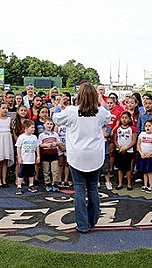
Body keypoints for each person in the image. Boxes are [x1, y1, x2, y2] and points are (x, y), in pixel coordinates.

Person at [52, 81, 111, 233]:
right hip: (95, 155)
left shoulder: (71, 111)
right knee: (92, 189)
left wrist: (59, 103)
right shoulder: (100, 111)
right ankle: (92, 221)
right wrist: (100, 99)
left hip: (77, 155)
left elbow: (56, 119)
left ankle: (82, 225)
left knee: (79, 189)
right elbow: (108, 117)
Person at [15, 119, 40, 195]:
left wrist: (38, 156)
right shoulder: (21, 137)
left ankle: (31, 185)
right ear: (26, 128)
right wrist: (19, 157)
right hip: (24, 160)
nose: (34, 129)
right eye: (32, 127)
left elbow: (37, 147)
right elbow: (18, 147)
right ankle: (19, 186)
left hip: (31, 160)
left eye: (34, 127)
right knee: (21, 174)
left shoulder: (34, 137)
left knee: (31, 173)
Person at [114, 111, 137, 190]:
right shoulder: (117, 128)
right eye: (122, 118)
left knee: (128, 168)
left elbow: (134, 141)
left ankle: (129, 184)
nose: (124, 120)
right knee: (120, 168)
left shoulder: (132, 129)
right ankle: (120, 183)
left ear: (130, 119)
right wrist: (120, 147)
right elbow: (115, 139)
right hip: (119, 150)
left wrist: (126, 148)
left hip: (129, 151)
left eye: (126, 118)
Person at [137, 120, 152, 194]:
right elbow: (138, 144)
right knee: (144, 171)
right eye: (146, 126)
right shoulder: (142, 134)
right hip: (143, 156)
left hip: (151, 157)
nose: (147, 127)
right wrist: (140, 152)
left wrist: (150, 153)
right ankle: (145, 185)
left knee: (150, 171)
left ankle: (151, 186)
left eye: (149, 126)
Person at [38, 117, 60, 192]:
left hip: (54, 154)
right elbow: (39, 145)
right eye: (47, 124)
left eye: (51, 124)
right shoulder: (41, 135)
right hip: (45, 154)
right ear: (44, 125)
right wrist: (45, 145)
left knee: (55, 170)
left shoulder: (55, 134)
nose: (49, 125)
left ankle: (55, 184)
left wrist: (55, 143)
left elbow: (59, 142)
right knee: (46, 170)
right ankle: (48, 183)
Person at [101, 125, 112, 190]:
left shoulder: (108, 127)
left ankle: (108, 181)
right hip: (96, 151)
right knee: (97, 168)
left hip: (105, 151)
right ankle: (97, 181)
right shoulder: (94, 126)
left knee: (106, 168)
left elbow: (106, 135)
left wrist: (102, 132)